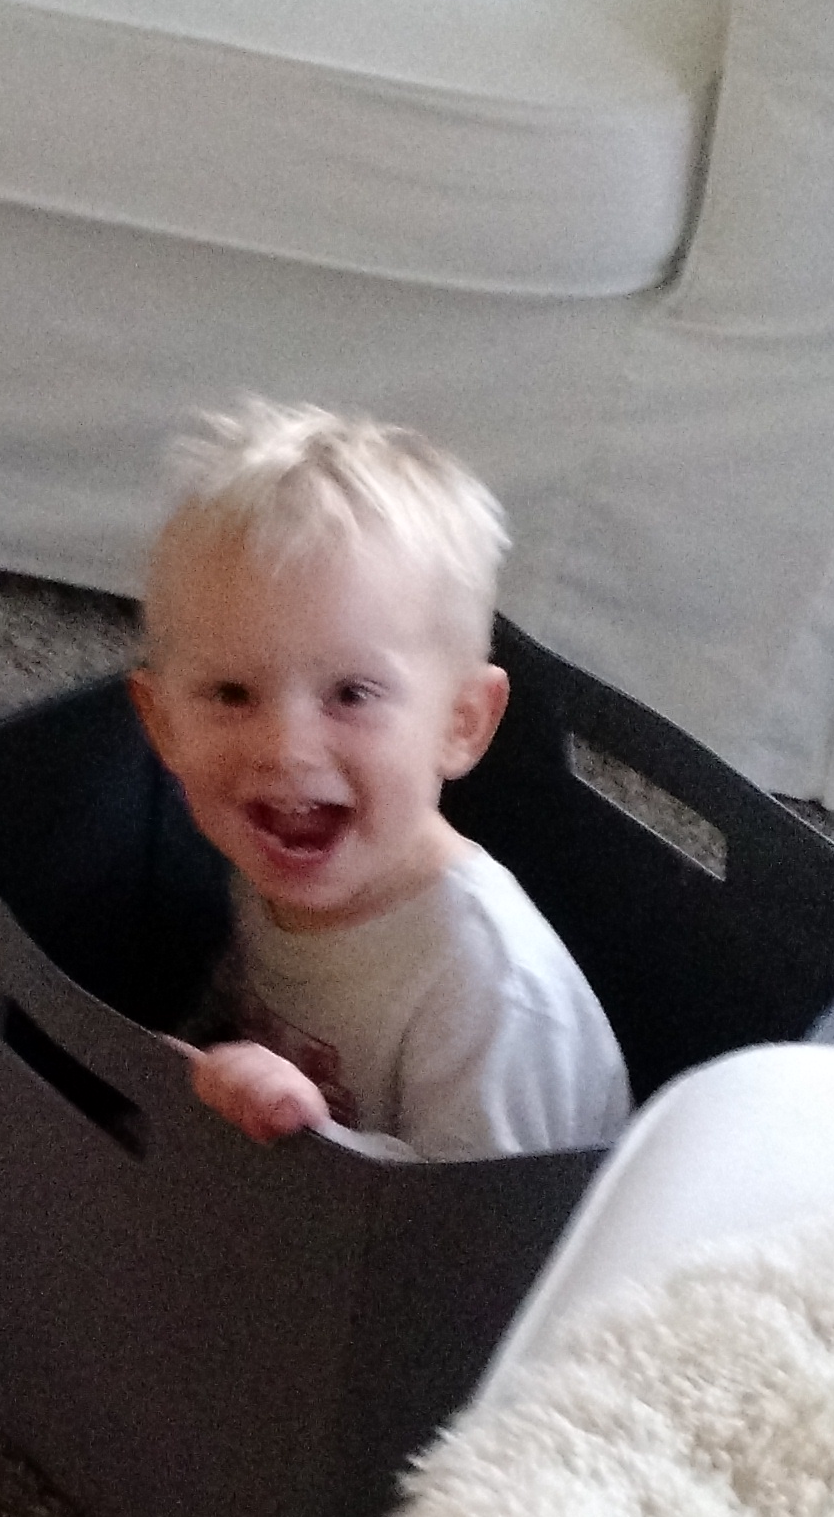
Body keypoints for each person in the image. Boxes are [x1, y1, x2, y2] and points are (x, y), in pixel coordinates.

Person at [128, 401, 631, 1162]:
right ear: (162, 723)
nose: (287, 749)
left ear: (461, 723)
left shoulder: (492, 993)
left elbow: (482, 1225)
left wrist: (317, 1141)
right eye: (232, 693)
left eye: (352, 694)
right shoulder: (280, 848)